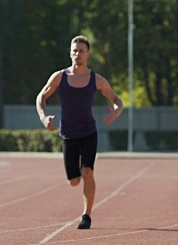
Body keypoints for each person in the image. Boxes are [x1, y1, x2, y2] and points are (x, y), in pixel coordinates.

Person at [36, 35, 123, 229]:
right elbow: (41, 97)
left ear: (88, 55)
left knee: (88, 172)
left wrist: (115, 113)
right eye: (75, 51)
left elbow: (118, 100)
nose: (78, 54)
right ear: (70, 54)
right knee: (74, 181)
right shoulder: (59, 77)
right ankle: (77, 176)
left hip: (88, 132)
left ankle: (86, 216)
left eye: (81, 51)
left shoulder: (96, 80)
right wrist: (43, 118)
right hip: (68, 134)